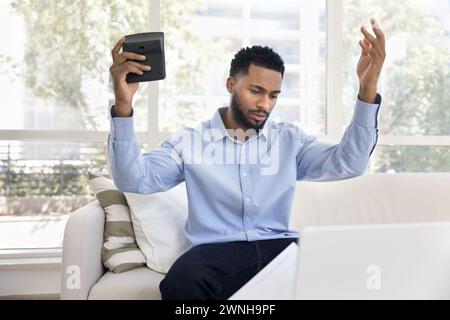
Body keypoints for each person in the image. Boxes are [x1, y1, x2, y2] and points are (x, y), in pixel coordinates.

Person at [108, 17, 386, 300]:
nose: (265, 104)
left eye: (273, 95)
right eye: (256, 91)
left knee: (343, 269)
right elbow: (134, 178)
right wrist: (123, 105)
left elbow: (349, 163)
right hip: (215, 253)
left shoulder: (290, 140)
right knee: (181, 281)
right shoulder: (189, 142)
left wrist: (367, 88)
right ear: (231, 84)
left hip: (281, 247)